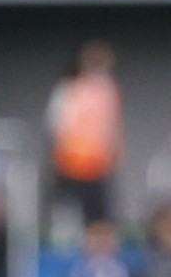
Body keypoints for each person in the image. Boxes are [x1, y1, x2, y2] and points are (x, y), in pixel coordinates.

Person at [45, 39, 124, 235]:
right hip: (71, 159)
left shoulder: (108, 88)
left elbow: (113, 124)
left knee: (98, 212)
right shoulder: (69, 87)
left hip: (99, 163)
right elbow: (55, 123)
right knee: (67, 209)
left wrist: (115, 152)